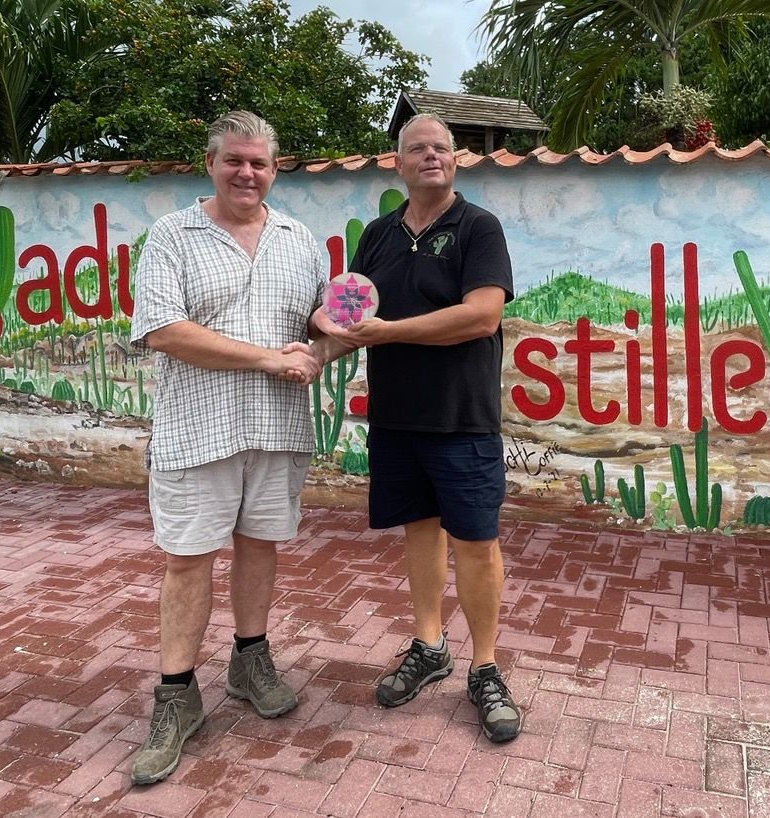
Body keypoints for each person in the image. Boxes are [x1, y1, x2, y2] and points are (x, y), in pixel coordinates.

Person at [128, 111, 325, 785]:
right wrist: (270, 360)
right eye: (234, 160)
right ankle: (176, 698)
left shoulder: (302, 241)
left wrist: (323, 348)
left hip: (276, 428)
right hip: (197, 429)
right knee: (187, 561)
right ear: (209, 163)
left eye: (260, 163)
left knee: (260, 545)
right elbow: (164, 330)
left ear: (275, 169)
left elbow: (321, 324)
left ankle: (250, 658)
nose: (247, 173)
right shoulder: (172, 236)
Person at [313, 113, 521, 742]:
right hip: (397, 416)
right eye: (416, 149)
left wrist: (388, 333)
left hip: (461, 417)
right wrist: (310, 353)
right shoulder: (377, 234)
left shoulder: (478, 227)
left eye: (441, 148)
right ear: (397, 164)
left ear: (456, 161)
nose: (430, 156)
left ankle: (485, 667)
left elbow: (481, 316)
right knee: (420, 531)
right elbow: (349, 317)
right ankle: (429, 647)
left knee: (476, 541)